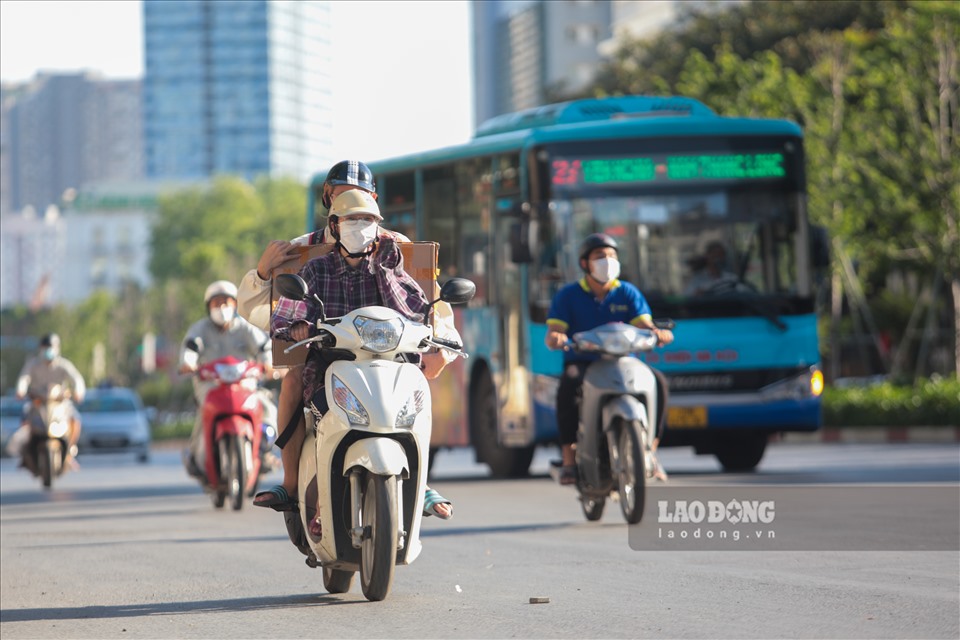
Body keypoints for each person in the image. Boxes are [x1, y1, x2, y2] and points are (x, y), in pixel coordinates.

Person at [256, 189, 454, 535]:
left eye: (368, 221)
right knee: (307, 397)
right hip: (331, 371)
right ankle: (293, 486)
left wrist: (433, 335)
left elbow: (416, 306)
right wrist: (296, 325)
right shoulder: (317, 270)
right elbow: (285, 315)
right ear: (335, 224)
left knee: (418, 393)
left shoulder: (390, 264)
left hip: (387, 368)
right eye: (352, 220)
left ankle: (420, 482)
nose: (360, 226)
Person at [544, 233, 674, 485]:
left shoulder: (627, 292)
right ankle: (569, 460)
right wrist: (556, 339)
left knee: (658, 381)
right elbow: (554, 332)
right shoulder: (568, 295)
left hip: (623, 361)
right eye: (600, 256)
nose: (607, 261)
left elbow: (645, 325)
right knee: (568, 386)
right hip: (583, 362)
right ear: (585, 264)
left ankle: (651, 451)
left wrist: (658, 333)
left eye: (612, 256)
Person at [179, 280, 274, 480]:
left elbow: (263, 347)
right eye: (216, 303)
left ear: (235, 304)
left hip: (244, 384)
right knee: (203, 415)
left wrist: (268, 364)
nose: (222, 307)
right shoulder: (200, 329)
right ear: (208, 307)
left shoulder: (246, 327)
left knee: (267, 407)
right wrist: (188, 363)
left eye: (226, 302)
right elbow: (191, 347)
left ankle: (265, 450)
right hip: (211, 386)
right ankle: (196, 456)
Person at [13, 333, 86, 470]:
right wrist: (20, 391)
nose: (48, 351)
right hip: (38, 404)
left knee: (75, 420)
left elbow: (77, 379)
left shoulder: (63, 365)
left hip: (59, 405)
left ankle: (69, 454)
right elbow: (24, 379)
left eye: (51, 347)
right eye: (46, 347)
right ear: (41, 348)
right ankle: (26, 455)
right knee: (25, 421)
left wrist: (78, 392)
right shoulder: (33, 365)